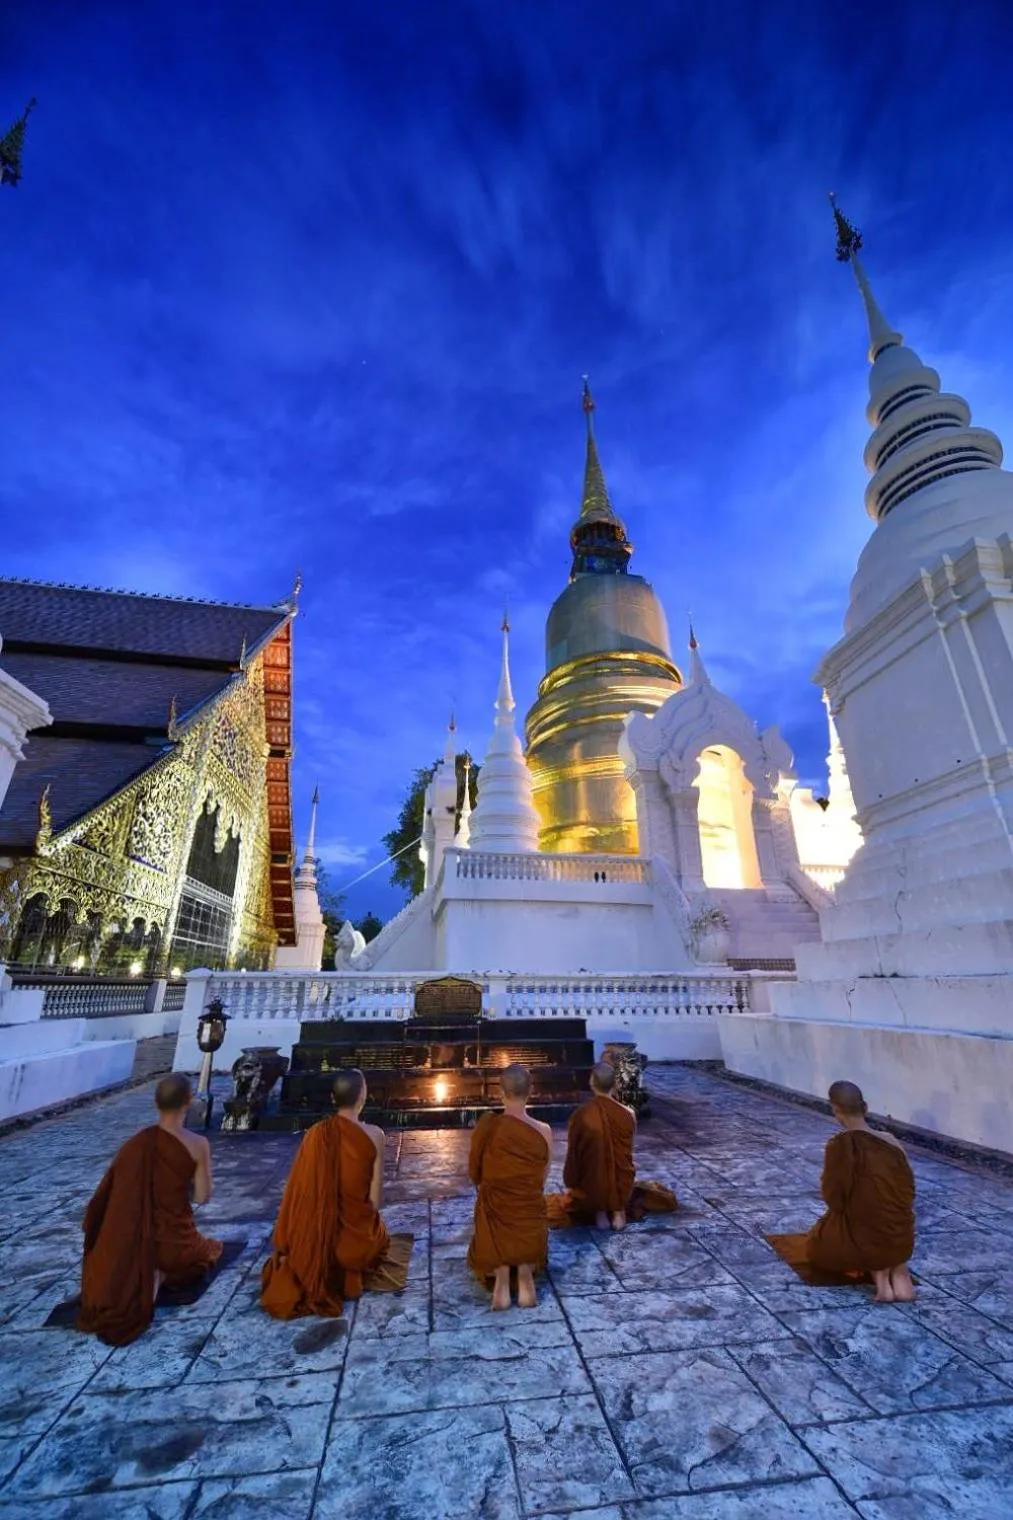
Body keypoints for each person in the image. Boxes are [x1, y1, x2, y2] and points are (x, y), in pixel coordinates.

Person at [77, 1072, 223, 1346]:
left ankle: (145, 1271)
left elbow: (108, 1199)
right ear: (188, 1101)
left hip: (129, 1243)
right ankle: (159, 1272)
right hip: (174, 1242)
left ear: (156, 1103)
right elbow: (202, 1197)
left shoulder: (135, 1145)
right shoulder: (197, 1144)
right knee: (210, 1250)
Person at [261, 1068, 412, 1319]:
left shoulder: (315, 1135)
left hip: (312, 1241)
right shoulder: (374, 1135)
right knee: (379, 1233)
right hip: (353, 1247)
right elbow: (374, 1202)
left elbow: (299, 1193)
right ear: (363, 1096)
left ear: (333, 1098)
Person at [770, 1080, 916, 1302]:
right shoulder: (891, 1141)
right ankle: (897, 1272)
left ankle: (880, 1278)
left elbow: (834, 1200)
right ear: (865, 1107)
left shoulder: (839, 1145)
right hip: (901, 1236)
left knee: (817, 1242)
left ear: (836, 1110)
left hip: (863, 1238)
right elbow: (909, 1190)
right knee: (881, 1219)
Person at [547, 1061, 677, 1230]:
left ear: (591, 1082)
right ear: (614, 1084)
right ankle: (618, 1210)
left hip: (592, 1185)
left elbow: (574, 1154)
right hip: (623, 1182)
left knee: (594, 1171)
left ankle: (600, 1211)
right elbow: (626, 1151)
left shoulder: (581, 1115)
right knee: (618, 1169)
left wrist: (570, 1178)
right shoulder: (629, 1113)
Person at [467, 1064, 551, 1310]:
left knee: (490, 1202)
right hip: (529, 1226)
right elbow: (541, 1180)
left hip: (495, 1224)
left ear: (500, 1092)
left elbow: (475, 1175)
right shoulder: (544, 1131)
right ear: (531, 1091)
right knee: (526, 1210)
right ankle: (524, 1272)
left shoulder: (487, 1127)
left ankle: (502, 1276)